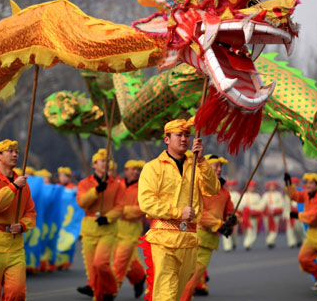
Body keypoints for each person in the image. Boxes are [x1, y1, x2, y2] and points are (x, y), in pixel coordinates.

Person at [138, 119, 220, 301]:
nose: (184, 139)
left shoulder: (197, 165)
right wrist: (178, 213)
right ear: (167, 139)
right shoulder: (152, 168)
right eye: (179, 135)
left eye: (187, 135)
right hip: (162, 239)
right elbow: (147, 203)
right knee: (165, 294)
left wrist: (201, 161)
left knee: (178, 295)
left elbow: (213, 189)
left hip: (189, 240)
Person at [0, 139, 37, 301]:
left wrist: (23, 225)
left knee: (17, 292)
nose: (15, 154)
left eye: (16, 151)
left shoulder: (24, 184)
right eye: (10, 151)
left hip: (15, 246)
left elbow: (31, 213)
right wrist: (14, 187)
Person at [181, 154, 236, 300]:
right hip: (193, 236)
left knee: (192, 278)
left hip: (208, 242)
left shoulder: (224, 191)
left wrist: (232, 220)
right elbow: (199, 213)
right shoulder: (199, 187)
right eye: (215, 166)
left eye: (220, 167)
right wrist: (220, 225)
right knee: (186, 277)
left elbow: (229, 212)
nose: (219, 169)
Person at [76, 149, 123, 301]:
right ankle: (100, 295)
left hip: (107, 230)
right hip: (89, 230)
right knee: (93, 269)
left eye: (107, 161)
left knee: (101, 263)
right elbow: (82, 203)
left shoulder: (116, 184)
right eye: (102, 161)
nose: (105, 164)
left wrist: (108, 218)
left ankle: (110, 289)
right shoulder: (85, 183)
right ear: (94, 164)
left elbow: (120, 207)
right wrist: (95, 191)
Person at [113, 160, 146, 298]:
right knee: (128, 260)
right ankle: (139, 278)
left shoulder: (144, 187)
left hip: (132, 229)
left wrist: (121, 210)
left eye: (138, 170)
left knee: (120, 261)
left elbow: (141, 209)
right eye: (133, 169)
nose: (136, 172)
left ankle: (110, 290)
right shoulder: (117, 184)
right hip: (115, 227)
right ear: (126, 170)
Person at [260, 181, 284, 249]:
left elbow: (281, 204)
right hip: (267, 214)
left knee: (274, 228)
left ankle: (270, 241)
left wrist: (275, 207)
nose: (272, 188)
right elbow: (262, 204)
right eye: (270, 186)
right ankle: (269, 241)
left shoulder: (278, 195)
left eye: (273, 186)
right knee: (267, 228)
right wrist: (259, 210)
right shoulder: (265, 195)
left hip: (275, 214)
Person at [240, 180, 262, 250]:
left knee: (253, 230)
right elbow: (240, 206)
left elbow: (260, 206)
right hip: (245, 216)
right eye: (250, 187)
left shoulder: (257, 196)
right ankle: (247, 243)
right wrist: (244, 207)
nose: (251, 188)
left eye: (253, 187)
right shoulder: (244, 195)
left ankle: (248, 243)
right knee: (247, 230)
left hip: (253, 216)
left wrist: (253, 208)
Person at [222, 179, 240, 252]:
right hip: (226, 214)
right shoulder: (224, 194)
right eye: (230, 186)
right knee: (225, 228)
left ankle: (234, 242)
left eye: (232, 186)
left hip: (234, 214)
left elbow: (240, 205)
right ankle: (227, 246)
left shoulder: (237, 195)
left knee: (234, 231)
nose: (231, 187)